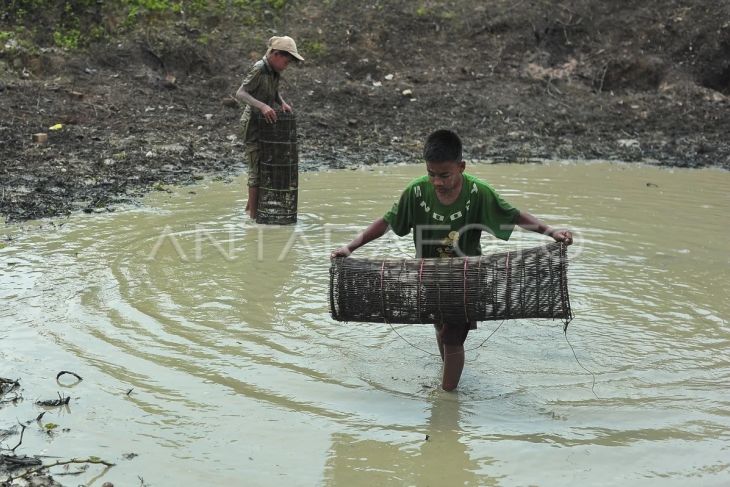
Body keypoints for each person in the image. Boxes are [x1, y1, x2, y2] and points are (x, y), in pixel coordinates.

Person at [331, 129, 574, 391]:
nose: (437, 182)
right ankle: (450, 375)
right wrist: (351, 247)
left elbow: (514, 215)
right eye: (431, 174)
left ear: (461, 167)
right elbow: (386, 222)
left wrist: (552, 232)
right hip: (430, 278)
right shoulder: (416, 193)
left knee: (452, 337)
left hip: (467, 278)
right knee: (440, 328)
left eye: (444, 175)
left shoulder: (478, 192)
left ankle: (446, 397)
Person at [236, 35, 304, 219]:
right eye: (286, 60)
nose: (286, 65)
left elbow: (272, 90)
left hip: (265, 125)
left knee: (265, 166)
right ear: (275, 54)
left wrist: (281, 102)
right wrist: (263, 106)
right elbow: (241, 93)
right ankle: (252, 217)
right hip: (252, 125)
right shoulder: (259, 68)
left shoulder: (274, 71)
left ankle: (249, 208)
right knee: (255, 170)